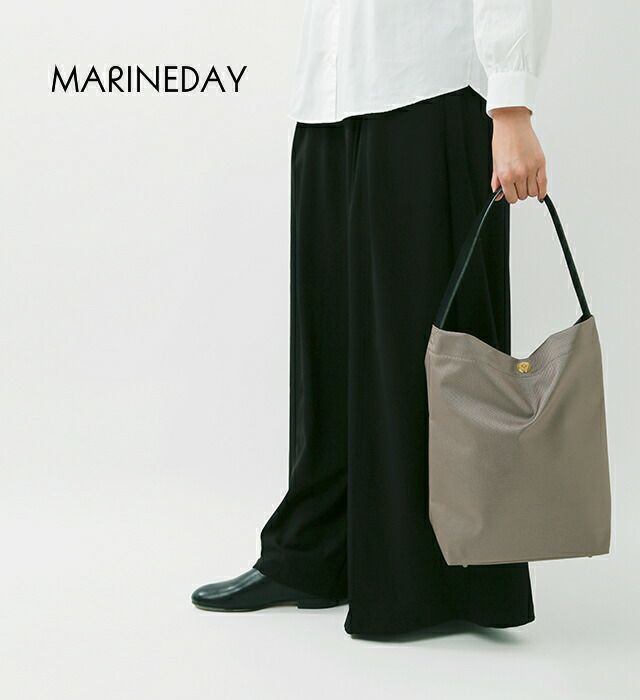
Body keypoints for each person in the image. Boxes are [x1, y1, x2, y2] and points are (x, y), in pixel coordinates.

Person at [192, 0, 552, 636]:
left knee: (419, 354)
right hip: (329, 94)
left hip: (428, 86)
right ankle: (314, 554)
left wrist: (511, 103)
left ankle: (429, 581)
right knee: (326, 345)